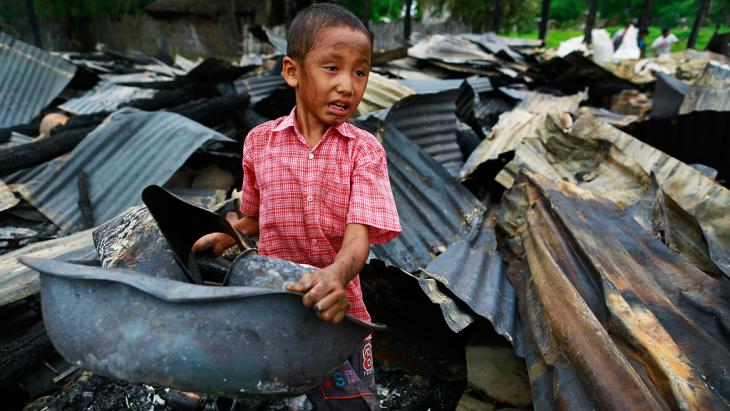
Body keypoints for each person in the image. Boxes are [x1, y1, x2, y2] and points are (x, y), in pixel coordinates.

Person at [192, 3, 401, 410]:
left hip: (339, 309)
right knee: (265, 393)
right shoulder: (259, 143)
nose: (347, 85)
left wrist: (337, 275)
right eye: (332, 68)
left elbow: (359, 239)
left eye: (360, 71)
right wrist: (229, 234)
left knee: (351, 403)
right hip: (273, 302)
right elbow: (254, 216)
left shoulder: (365, 152)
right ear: (292, 72)